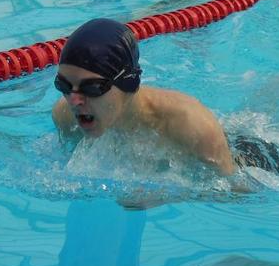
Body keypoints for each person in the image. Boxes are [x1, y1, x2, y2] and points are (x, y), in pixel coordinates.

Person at [51, 19, 236, 177]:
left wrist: (163, 195)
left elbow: (236, 192)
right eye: (64, 86)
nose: (74, 100)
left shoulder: (191, 125)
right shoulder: (65, 117)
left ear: (127, 83)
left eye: (92, 88)